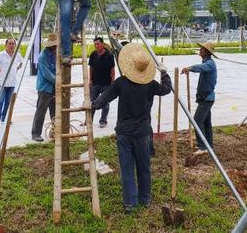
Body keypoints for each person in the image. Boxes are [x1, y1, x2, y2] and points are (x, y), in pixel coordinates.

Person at [92, 43, 171, 214]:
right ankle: (145, 199)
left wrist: (92, 105)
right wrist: (164, 73)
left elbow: (104, 97)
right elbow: (166, 89)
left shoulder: (121, 82)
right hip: (142, 132)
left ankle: (130, 203)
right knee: (144, 167)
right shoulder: (150, 84)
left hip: (125, 133)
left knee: (127, 169)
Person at [181, 41, 217, 155]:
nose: (200, 50)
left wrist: (189, 68)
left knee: (197, 121)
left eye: (202, 49)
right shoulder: (207, 62)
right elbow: (201, 68)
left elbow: (201, 68)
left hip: (207, 99)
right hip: (205, 98)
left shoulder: (210, 64)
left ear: (206, 52)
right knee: (206, 122)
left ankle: (202, 146)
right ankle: (208, 145)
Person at [0, 38, 24, 129]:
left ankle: (5, 118)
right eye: (10, 44)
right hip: (2, 83)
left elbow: (22, 62)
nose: (12, 45)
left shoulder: (17, 55)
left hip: (12, 83)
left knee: (8, 102)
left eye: (13, 44)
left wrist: (17, 69)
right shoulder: (1, 55)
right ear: (6, 45)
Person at [31, 33, 58, 142]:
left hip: (54, 87)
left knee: (55, 111)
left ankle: (54, 131)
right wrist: (58, 81)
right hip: (45, 88)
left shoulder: (55, 54)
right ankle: (36, 133)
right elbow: (46, 73)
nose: (56, 47)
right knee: (41, 111)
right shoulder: (43, 56)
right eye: (54, 45)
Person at [89, 37, 116, 128]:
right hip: (95, 83)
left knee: (105, 103)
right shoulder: (93, 54)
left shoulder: (109, 55)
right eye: (95, 44)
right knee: (92, 101)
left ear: (103, 44)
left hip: (106, 83)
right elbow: (91, 68)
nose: (96, 46)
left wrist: (113, 81)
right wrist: (90, 80)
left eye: (98, 44)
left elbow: (112, 69)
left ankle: (103, 120)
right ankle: (89, 120)